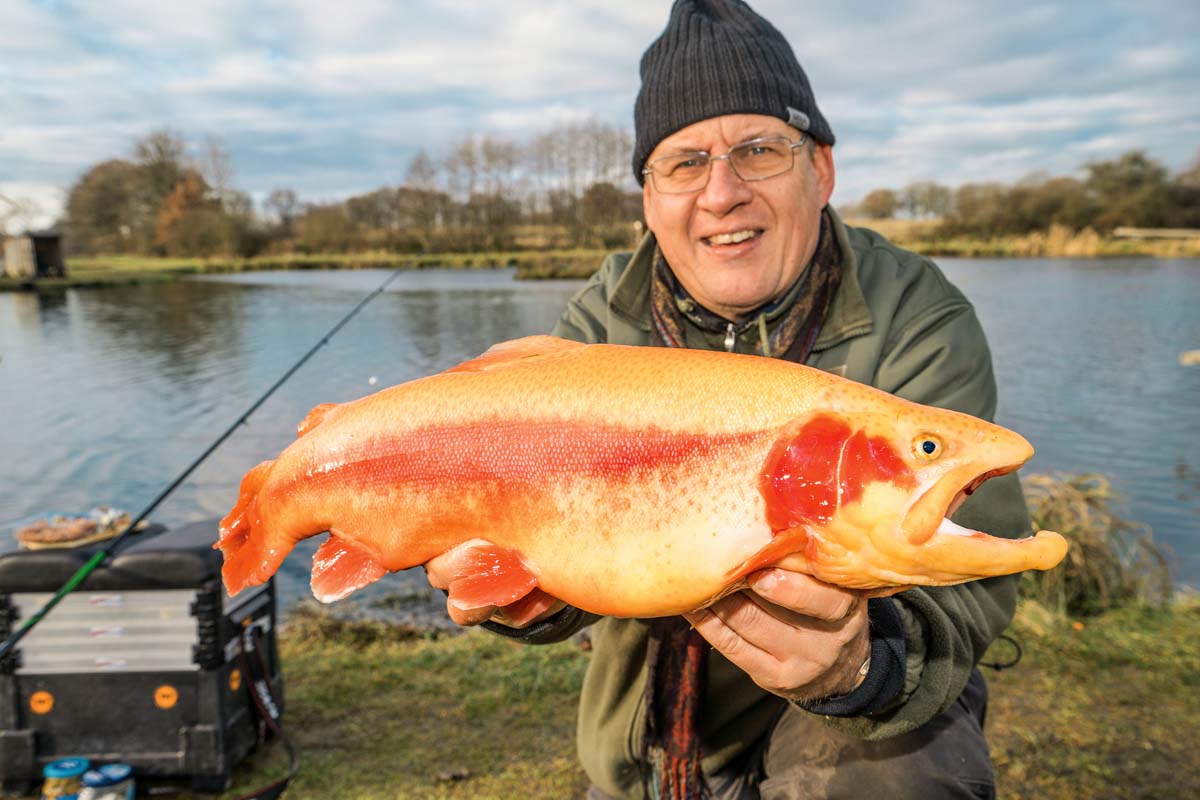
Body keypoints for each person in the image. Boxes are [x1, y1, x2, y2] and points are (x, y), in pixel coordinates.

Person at [427, 1, 1032, 797]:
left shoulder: (919, 316)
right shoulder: (597, 324)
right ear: (649, 197)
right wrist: (524, 593)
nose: (721, 193)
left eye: (758, 149)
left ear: (821, 170)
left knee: (905, 775)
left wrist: (863, 665)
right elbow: (562, 573)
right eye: (684, 162)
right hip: (644, 741)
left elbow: (971, 573)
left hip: (845, 733)